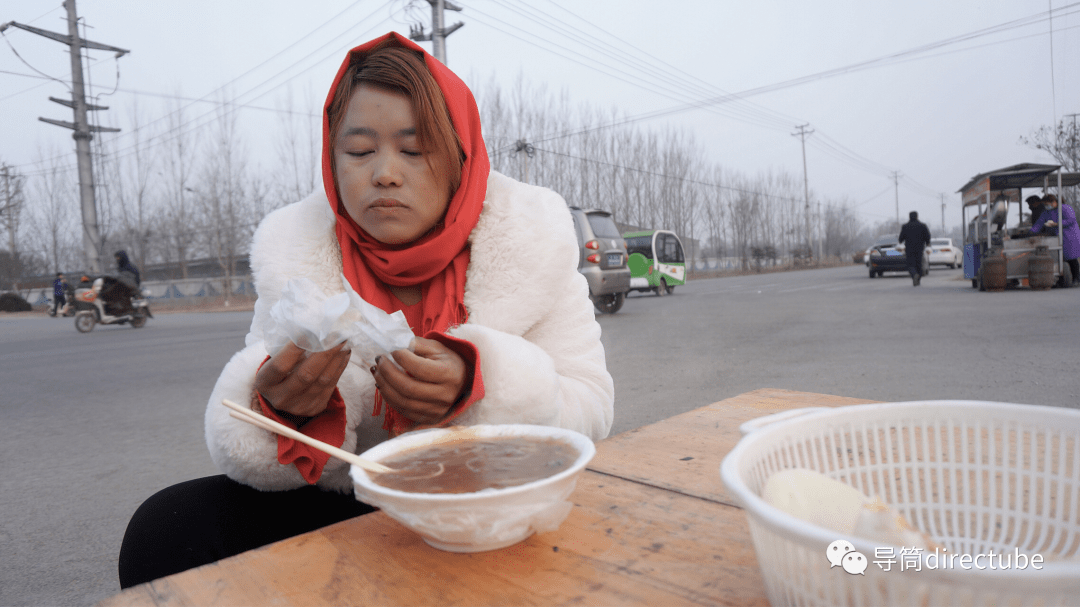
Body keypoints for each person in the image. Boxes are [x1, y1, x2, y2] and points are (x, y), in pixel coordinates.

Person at [117, 32, 614, 588]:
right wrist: (288, 416)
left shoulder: (531, 244)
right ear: (332, 162)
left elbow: (591, 406)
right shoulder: (296, 260)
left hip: (489, 502)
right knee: (166, 528)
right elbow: (255, 425)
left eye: (414, 150)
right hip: (355, 506)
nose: (384, 174)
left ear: (461, 157)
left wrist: (480, 384)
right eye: (358, 151)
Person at [1030, 194, 1079, 286]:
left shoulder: (1065, 208)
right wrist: (1031, 232)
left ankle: (1076, 278)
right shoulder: (1046, 212)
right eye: (1045, 204)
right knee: (1058, 258)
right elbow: (1039, 223)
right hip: (1057, 237)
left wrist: (1057, 223)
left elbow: (1071, 220)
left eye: (1047, 204)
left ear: (1053, 202)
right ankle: (1061, 280)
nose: (1046, 206)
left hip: (1070, 236)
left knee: (1071, 258)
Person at [898, 211, 931, 286]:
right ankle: (918, 278)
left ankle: (914, 275)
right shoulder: (923, 226)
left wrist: (900, 241)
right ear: (917, 216)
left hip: (909, 249)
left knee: (910, 265)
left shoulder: (905, 226)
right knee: (919, 264)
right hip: (920, 248)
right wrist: (928, 243)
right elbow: (927, 236)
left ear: (909, 217)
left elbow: (900, 238)